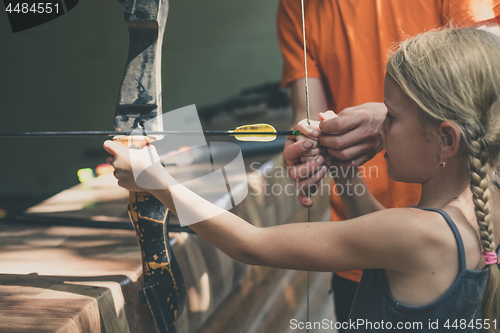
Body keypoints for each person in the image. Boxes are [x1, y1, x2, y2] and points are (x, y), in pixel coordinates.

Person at [105, 27, 500, 332]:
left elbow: (252, 245)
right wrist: (343, 170)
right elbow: (384, 235)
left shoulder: (416, 232)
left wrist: (155, 180)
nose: (379, 130)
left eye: (391, 118)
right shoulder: (482, 207)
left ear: (446, 139)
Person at [277, 1, 500, 327]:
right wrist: (313, 141)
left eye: (391, 119)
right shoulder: (295, 7)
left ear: (447, 138)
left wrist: (388, 116)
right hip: (358, 251)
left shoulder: (428, 230)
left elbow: (485, 90)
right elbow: (308, 112)